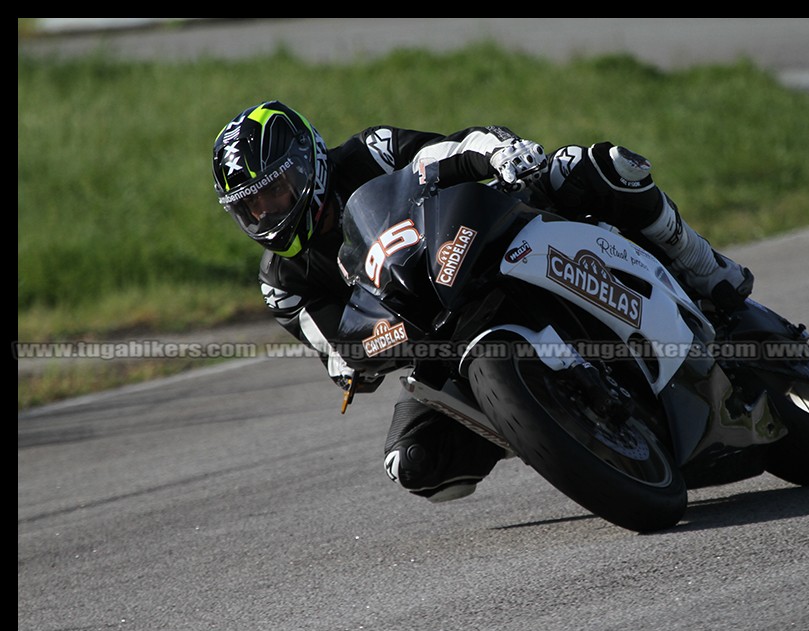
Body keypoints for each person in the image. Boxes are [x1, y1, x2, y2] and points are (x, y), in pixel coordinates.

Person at [212, 100, 754, 503]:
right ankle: (549, 420)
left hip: (485, 240)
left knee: (597, 164)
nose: (266, 212)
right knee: (412, 464)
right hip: (436, 337)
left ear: (307, 165)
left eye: (274, 191)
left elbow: (446, 152)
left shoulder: (368, 152)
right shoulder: (281, 281)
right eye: (250, 208)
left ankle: (705, 269)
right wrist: (367, 357)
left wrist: (496, 151)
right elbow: (340, 352)